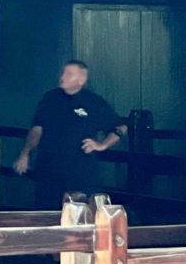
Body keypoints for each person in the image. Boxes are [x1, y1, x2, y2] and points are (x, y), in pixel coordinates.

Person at [12, 60, 127, 210]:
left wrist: (102, 145)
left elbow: (121, 127)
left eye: (69, 74)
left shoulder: (93, 102)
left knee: (79, 214)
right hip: (49, 170)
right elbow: (37, 129)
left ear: (81, 80)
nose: (62, 77)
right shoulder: (50, 98)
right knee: (46, 213)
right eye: (62, 73)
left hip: (80, 173)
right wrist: (25, 153)